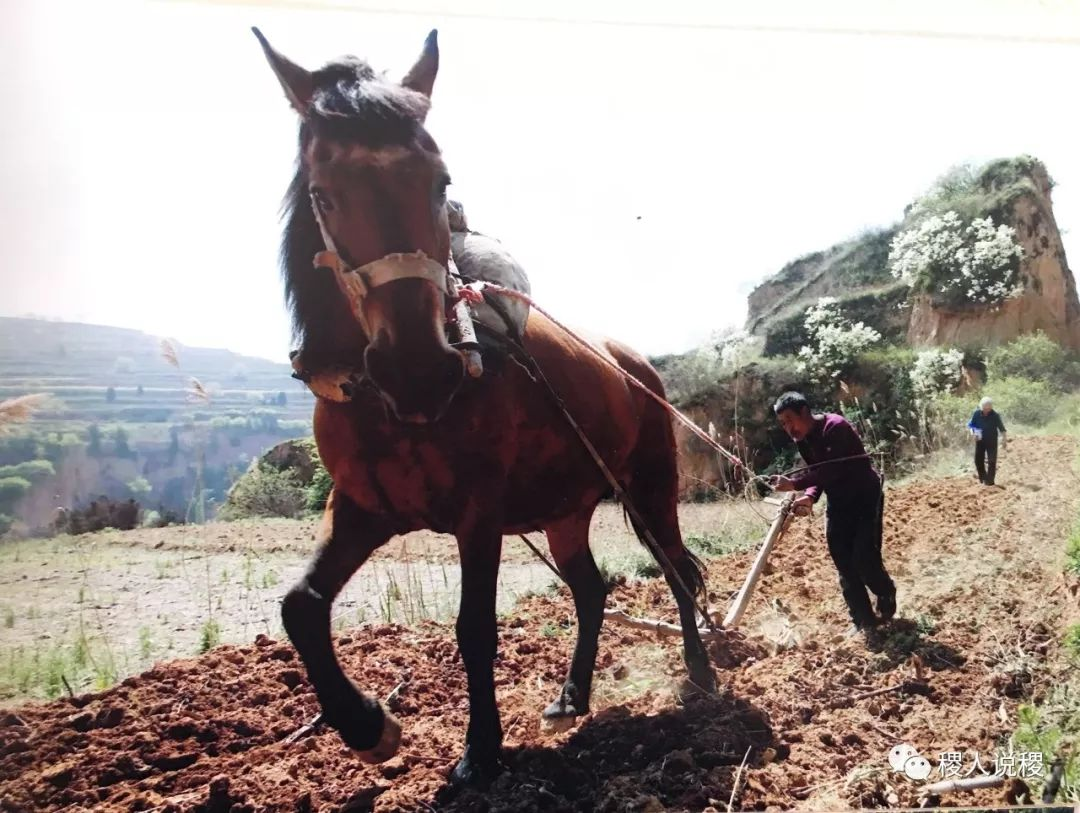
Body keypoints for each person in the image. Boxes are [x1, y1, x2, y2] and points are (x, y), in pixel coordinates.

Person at [769, 392, 897, 637]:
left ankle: (885, 592)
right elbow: (818, 473)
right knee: (843, 562)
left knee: (864, 555)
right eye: (782, 423)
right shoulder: (802, 440)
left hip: (865, 498)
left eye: (789, 419)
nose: (788, 428)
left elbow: (833, 469)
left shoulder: (835, 427)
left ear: (804, 412)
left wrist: (795, 485)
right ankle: (863, 621)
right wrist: (810, 495)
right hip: (838, 502)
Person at [968, 396, 1007, 486]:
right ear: (981, 407)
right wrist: (973, 434)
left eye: (989, 409)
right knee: (978, 460)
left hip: (992, 441)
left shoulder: (995, 415)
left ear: (991, 408)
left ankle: (990, 482)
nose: (987, 411)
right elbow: (971, 426)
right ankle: (983, 478)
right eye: (985, 409)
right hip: (980, 440)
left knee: (992, 461)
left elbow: (1002, 429)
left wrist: (1004, 440)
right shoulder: (976, 414)